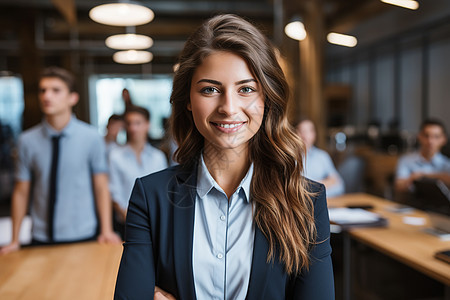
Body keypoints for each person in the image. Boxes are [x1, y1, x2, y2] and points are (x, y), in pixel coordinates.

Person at [114, 14, 334, 300]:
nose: (229, 108)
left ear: (266, 99)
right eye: (210, 89)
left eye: (246, 89)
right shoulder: (150, 196)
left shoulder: (306, 200)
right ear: (188, 101)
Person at [0, 66, 121, 255]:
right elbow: (21, 191)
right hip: (40, 237)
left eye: (56, 90)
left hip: (83, 234)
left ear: (73, 98)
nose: (47, 96)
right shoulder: (27, 140)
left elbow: (101, 186)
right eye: (43, 90)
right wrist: (15, 239)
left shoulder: (91, 138)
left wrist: (106, 230)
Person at [109, 105, 168, 225]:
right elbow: (114, 194)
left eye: (137, 123)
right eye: (129, 123)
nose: (133, 128)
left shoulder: (158, 157)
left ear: (147, 125)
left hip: (155, 221)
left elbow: (163, 191)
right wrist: (132, 220)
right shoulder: (115, 156)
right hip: (125, 223)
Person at [395, 119, 450, 193]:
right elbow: (399, 186)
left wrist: (423, 175)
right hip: (412, 202)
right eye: (426, 136)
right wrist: (411, 179)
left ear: (444, 139)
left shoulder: (447, 164)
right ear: (419, 136)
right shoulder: (406, 160)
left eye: (436, 136)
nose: (430, 141)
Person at [295, 118, 345, 197]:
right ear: (294, 134)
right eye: (301, 131)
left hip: (327, 203)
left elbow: (338, 185)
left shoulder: (322, 156)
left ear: (314, 134)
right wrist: (323, 185)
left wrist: (312, 190)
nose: (305, 136)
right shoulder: (289, 157)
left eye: (309, 131)